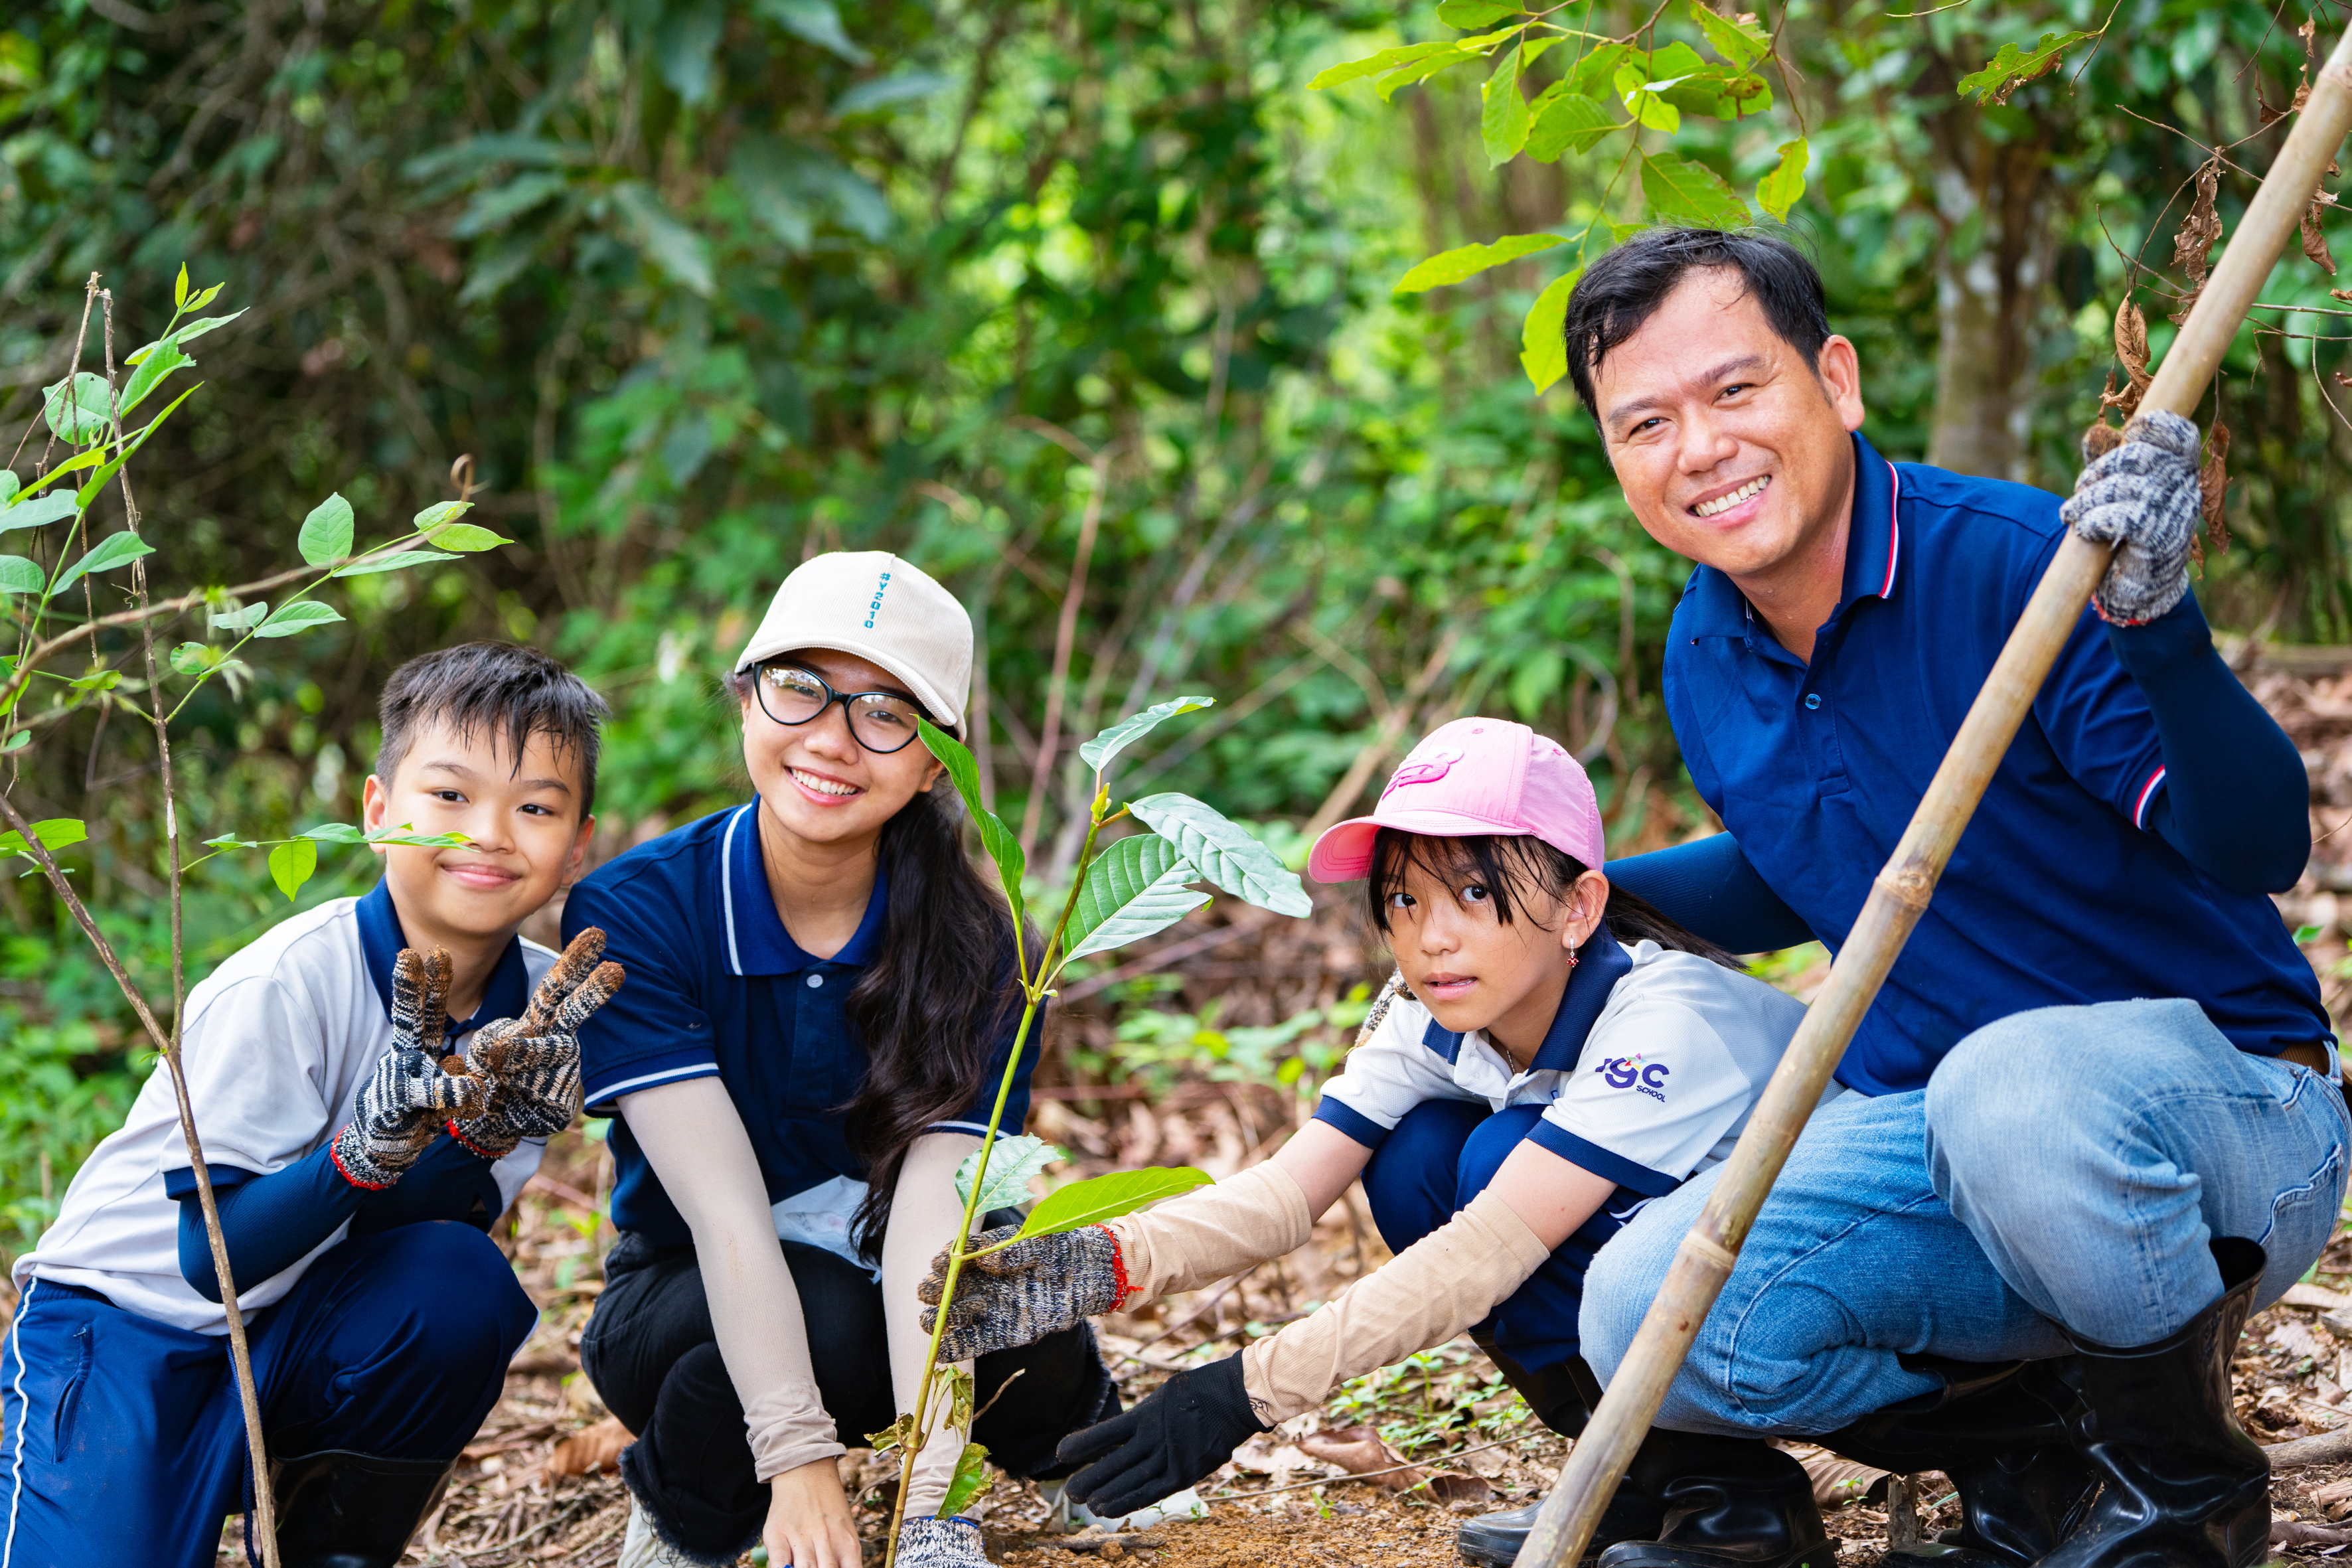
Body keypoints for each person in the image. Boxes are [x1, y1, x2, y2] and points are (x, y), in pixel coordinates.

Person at [1547, 228, 2345, 1568]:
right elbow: (1810, 864)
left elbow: (2257, 839)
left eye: (1734, 390)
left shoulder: (2019, 568)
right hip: (1943, 1144)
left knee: (2008, 1089)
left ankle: (2181, 1498)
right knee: (1637, 1306)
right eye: (1646, 420)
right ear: (1614, 456)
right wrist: (1570, 896)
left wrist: (2161, 628)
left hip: (2216, 1119)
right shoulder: (1704, 641)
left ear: (1836, 381)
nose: (1698, 446)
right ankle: (2036, 1455)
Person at [919, 716, 1835, 1568]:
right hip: (1680, 1286)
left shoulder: (1665, 1017)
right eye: (1403, 897)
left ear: (1578, 906)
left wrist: (1242, 1393)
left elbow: (1490, 1250)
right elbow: (1288, 1195)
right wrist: (1092, 1263)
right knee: (1418, 1159)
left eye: (1475, 892)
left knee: (1489, 1166)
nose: (1430, 937)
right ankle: (1645, 1476)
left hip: (1820, 1287)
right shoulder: (1431, 1010)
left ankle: (1743, 1499)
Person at [4, 642, 619, 1568]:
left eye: (534, 807)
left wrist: (473, 1139)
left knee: (458, 1285)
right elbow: (210, 1256)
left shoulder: (541, 1016)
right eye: (449, 797)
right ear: (380, 813)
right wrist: (357, 1153)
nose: (491, 832)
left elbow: (413, 1247)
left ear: (577, 844)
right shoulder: (290, 981)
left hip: (298, 1333)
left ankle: (325, 1547)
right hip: (128, 1328)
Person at [565, 552, 1119, 1568]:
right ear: (745, 698)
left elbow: (928, 1223)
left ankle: (1086, 1461)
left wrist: (931, 1509)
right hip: (681, 1293)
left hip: (888, 1270)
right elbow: (725, 1213)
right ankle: (689, 1513)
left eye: (885, 711)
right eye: (800, 688)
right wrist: (799, 1458)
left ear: (936, 757)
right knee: (821, 1310)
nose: (832, 738)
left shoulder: (987, 948)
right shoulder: (638, 910)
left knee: (1000, 1287)